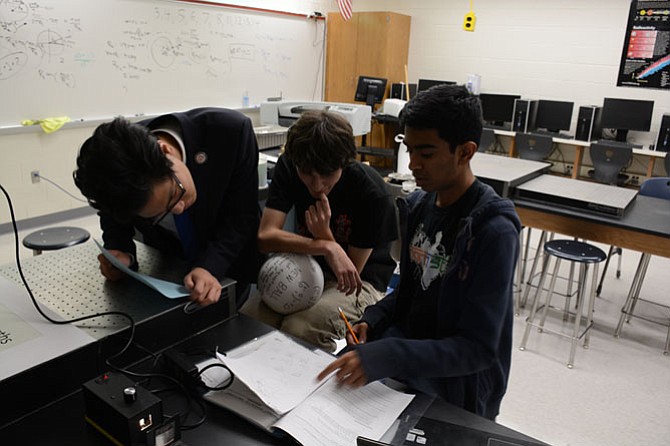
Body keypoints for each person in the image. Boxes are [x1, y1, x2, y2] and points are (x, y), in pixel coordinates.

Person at [317, 85, 522, 421]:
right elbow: (411, 294)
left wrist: (390, 354)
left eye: (426, 154)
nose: (413, 164)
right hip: (409, 368)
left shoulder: (493, 230)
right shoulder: (418, 206)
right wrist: (375, 318)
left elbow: (479, 348)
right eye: (409, 150)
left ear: (465, 152)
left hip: (457, 390)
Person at [241, 110, 398, 352]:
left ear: (343, 163)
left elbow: (348, 274)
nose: (316, 185)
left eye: (326, 175)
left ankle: (300, 385)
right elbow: (266, 237)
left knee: (300, 329)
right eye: (307, 174)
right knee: (250, 318)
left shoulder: (372, 193)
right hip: (310, 266)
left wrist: (324, 234)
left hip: (361, 280)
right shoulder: (291, 165)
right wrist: (327, 245)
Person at [73, 107, 262, 307]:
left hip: (227, 265)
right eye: (160, 213)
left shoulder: (229, 132)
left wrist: (209, 267)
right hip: (168, 271)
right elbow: (112, 213)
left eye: (175, 193)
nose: (179, 209)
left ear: (165, 151)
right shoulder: (114, 169)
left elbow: (241, 216)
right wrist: (120, 252)